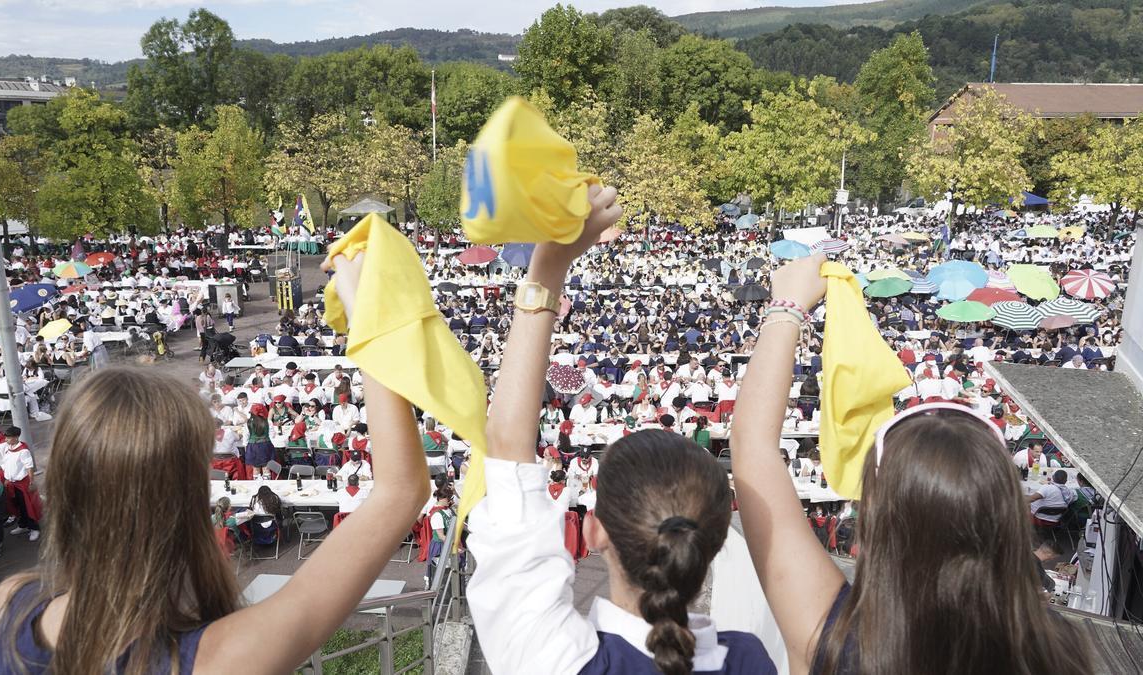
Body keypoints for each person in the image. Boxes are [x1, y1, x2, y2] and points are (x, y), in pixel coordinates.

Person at [0, 265, 430, 675]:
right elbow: (400, 490)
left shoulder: (12, 608)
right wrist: (368, 314)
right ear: (186, 493)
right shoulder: (219, 657)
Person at [728, 253, 1091, 674]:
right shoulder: (1058, 649)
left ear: (874, 518)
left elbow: (752, 446)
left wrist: (787, 307)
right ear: (1008, 517)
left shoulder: (839, 638)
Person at [467, 185, 776, 674]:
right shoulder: (752, 660)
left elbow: (507, 446)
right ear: (715, 546)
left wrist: (549, 265)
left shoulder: (554, 659)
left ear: (593, 531)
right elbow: (507, 447)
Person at [1, 426, 42, 542]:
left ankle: (34, 528)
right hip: (11, 483)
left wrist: (31, 482)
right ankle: (23, 525)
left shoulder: (23, 451)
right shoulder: (8, 448)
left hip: (22, 484)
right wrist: (7, 478)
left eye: (8, 438)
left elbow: (29, 467)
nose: (6, 440)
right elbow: (6, 464)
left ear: (16, 437)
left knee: (27, 507)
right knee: (18, 506)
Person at [424, 485, 454, 589]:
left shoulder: (446, 509)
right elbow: (441, 536)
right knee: (439, 575)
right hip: (441, 546)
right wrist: (455, 545)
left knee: (447, 574)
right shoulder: (437, 514)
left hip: (447, 543)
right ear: (443, 498)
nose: (450, 500)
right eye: (449, 498)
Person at [245, 404, 276, 479]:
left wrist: (247, 448)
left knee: (255, 468)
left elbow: (246, 437)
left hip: (253, 446)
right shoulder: (268, 422)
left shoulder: (248, 422)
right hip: (265, 445)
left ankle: (257, 483)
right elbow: (272, 435)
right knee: (266, 467)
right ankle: (267, 483)